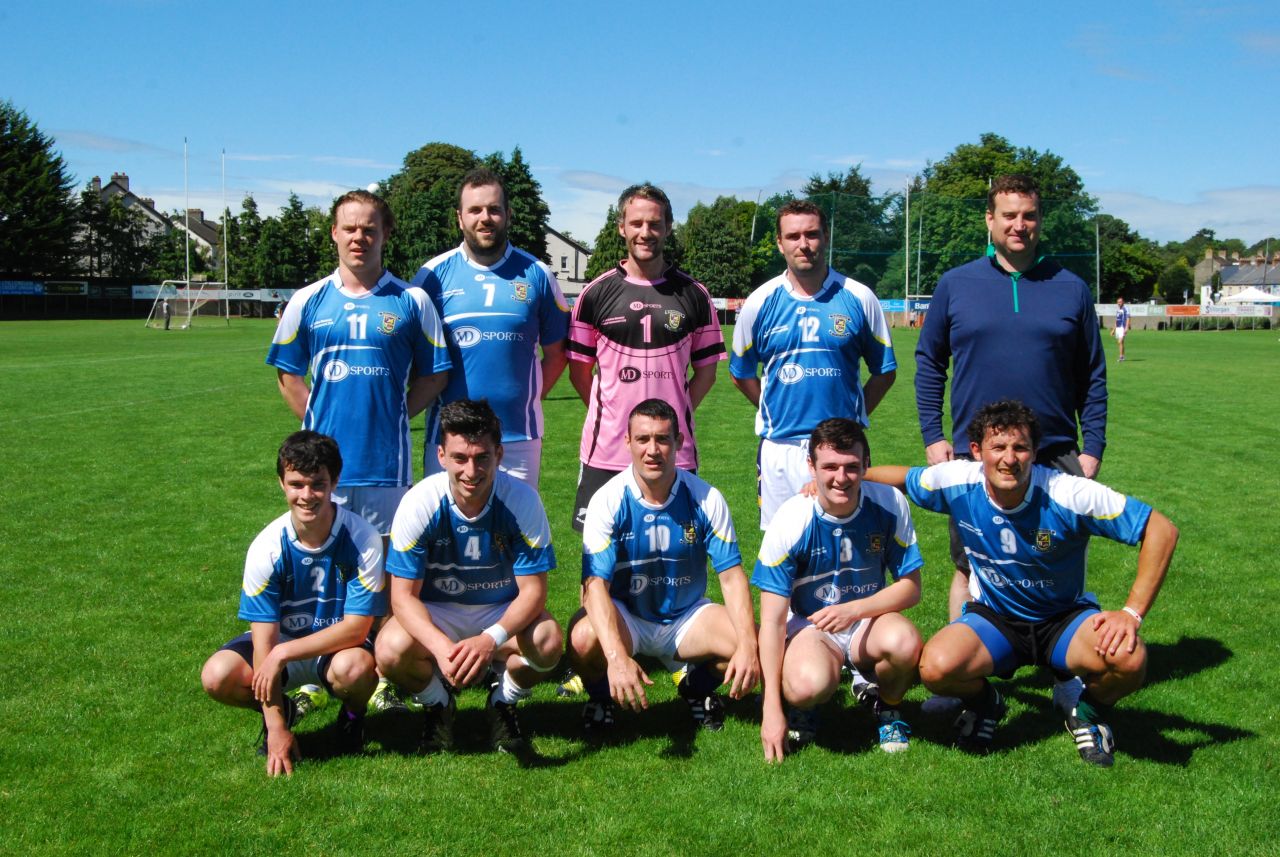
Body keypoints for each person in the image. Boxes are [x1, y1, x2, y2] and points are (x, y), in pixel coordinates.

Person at [867, 400, 1178, 766]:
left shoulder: (1068, 492)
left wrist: (1131, 613)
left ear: (1034, 452)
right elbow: (901, 477)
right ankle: (988, 705)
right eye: (998, 447)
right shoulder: (956, 480)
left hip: (1062, 620)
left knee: (1128, 658)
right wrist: (840, 480)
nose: (1009, 459)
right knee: (935, 667)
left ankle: (1088, 715)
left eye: (1020, 448)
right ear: (977, 451)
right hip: (995, 620)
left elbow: (1160, 528)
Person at [914, 174, 1108, 707]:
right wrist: (935, 437)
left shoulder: (1070, 287)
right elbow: (930, 362)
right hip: (976, 455)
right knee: (966, 562)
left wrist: (1091, 449)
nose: (1019, 225)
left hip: (1053, 452)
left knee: (1058, 561)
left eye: (1029, 215)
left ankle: (1065, 671)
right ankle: (963, 672)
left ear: (1040, 220)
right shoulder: (957, 283)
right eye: (1009, 215)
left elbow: (1093, 373)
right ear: (990, 221)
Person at [375, 399, 562, 754]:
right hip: (438, 611)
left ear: (500, 455)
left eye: (482, 458)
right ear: (442, 455)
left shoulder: (522, 500)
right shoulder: (420, 503)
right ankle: (438, 703)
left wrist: (491, 639)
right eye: (460, 458)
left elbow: (534, 592)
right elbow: (402, 597)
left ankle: (503, 700)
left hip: (498, 611)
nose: (471, 470)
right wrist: (442, 649)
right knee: (388, 649)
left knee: (548, 642)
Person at [566, 399, 760, 736]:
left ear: (679, 443)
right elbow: (595, 585)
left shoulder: (706, 498)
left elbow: (730, 577)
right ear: (627, 442)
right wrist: (615, 656)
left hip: (686, 617)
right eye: (642, 439)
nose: (652, 450)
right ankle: (600, 698)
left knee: (749, 640)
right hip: (627, 615)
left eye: (662, 439)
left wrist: (748, 648)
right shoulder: (608, 500)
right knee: (584, 638)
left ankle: (695, 689)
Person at [200, 431, 387, 777]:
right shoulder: (267, 547)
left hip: (336, 646)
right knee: (217, 676)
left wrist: (283, 655)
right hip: (279, 642)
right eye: (296, 484)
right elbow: (264, 644)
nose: (307, 495)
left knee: (357, 670)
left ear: (335, 481)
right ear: (281, 484)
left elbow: (357, 628)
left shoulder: (363, 538)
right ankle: (283, 712)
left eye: (317, 484)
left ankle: (351, 718)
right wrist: (275, 728)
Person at [267, 189, 451, 538]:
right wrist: (318, 421)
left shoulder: (413, 300)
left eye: (369, 229)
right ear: (335, 233)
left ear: (385, 234)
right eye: (349, 229)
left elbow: (435, 376)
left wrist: (393, 413)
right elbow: (288, 374)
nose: (359, 238)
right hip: (320, 468)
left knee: (382, 567)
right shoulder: (307, 300)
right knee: (323, 557)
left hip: (386, 467)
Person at [754, 418, 923, 761]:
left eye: (851, 467)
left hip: (866, 621)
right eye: (829, 467)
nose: (840, 478)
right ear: (811, 467)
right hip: (811, 626)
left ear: (866, 465)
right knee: (805, 685)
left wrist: (854, 609)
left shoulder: (890, 503)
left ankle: (887, 707)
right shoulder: (790, 519)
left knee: (904, 643)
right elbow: (771, 621)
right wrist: (771, 708)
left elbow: (911, 588)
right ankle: (807, 707)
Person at [730, 198, 897, 530]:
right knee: (782, 550)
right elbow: (741, 373)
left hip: (842, 451)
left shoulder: (859, 297)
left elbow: (885, 371)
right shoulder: (759, 302)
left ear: (826, 237)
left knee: (847, 542)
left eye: (812, 234)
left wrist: (854, 420)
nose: (803, 245)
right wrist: (771, 406)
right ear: (779, 243)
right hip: (781, 448)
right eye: (793, 236)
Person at [567, 183, 725, 532]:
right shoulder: (595, 294)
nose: (645, 232)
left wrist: (676, 411)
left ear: (668, 227)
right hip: (605, 452)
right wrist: (609, 412)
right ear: (621, 227)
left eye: (654, 224)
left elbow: (707, 374)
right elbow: (579, 372)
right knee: (597, 564)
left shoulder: (694, 294)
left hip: (673, 452)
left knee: (675, 555)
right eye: (636, 223)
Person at [412, 168, 570, 486]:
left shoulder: (537, 274)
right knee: (450, 532)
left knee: (518, 532)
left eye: (494, 209)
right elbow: (415, 360)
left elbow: (557, 354)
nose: (485, 218)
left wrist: (526, 399)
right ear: (460, 218)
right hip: (449, 439)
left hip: (518, 438)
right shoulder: (431, 277)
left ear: (507, 214)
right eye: (475, 210)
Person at [1113, 296, 1130, 362]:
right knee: (1121, 343)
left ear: (1123, 302)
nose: (1119, 303)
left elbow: (1128, 318)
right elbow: (1116, 320)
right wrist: (1113, 330)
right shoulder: (1118, 310)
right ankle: (1123, 356)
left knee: (1119, 342)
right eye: (1118, 302)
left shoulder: (1126, 308)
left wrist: (1126, 327)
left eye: (1120, 302)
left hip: (1123, 327)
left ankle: (1121, 357)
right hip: (1118, 328)